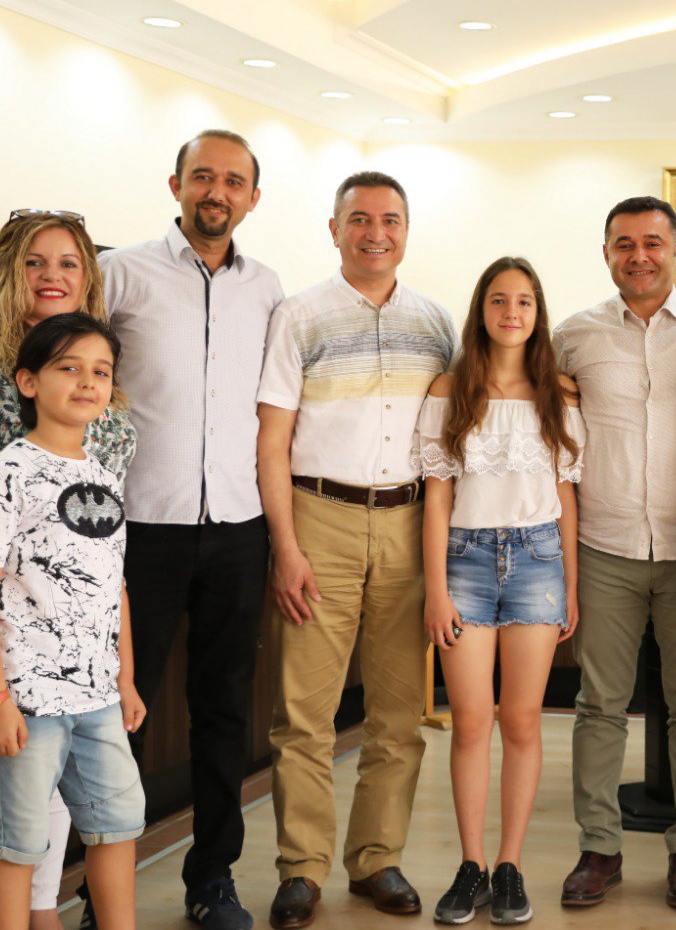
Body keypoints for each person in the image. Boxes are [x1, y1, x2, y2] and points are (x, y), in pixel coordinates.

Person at [0, 210, 136, 930]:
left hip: (87, 663)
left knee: (81, 810)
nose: (52, 275)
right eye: (35, 262)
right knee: (16, 813)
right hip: (11, 639)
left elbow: (112, 572)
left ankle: (46, 912)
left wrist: (123, 675)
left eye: (68, 262)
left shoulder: (94, 373)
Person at [256, 171, 455, 928]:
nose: (377, 233)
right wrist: (286, 547)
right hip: (319, 519)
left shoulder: (435, 322)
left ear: (407, 230)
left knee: (399, 713)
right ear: (334, 229)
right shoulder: (299, 315)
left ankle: (377, 858)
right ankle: (301, 869)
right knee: (304, 715)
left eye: (390, 220)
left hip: (409, 522)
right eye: (361, 219)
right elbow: (272, 441)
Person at [98, 128, 284, 930]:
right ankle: (101, 893)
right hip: (140, 529)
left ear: (252, 198)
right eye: (203, 176)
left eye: (233, 180)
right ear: (175, 185)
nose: (217, 191)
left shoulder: (268, 288)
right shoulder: (121, 272)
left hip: (239, 528)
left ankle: (212, 880)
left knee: (225, 712)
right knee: (119, 713)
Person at [554, 196, 676, 911]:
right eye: (624, 244)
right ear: (606, 253)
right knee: (599, 704)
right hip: (605, 546)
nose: (639, 256)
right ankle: (599, 847)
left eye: (653, 243)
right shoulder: (574, 335)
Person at [0, 313, 146, 930]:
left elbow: (114, 586)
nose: (87, 382)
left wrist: (125, 680)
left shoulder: (102, 477)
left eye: (101, 372)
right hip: (24, 696)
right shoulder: (1, 476)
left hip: (97, 695)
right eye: (69, 367)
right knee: (19, 841)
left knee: (118, 825)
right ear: (29, 382)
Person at [416, 256, 585, 926]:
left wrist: (570, 584)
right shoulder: (450, 387)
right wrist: (436, 590)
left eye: (523, 302)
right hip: (465, 561)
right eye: (498, 300)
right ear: (480, 311)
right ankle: (471, 865)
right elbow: (436, 497)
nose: (511, 312)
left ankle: (510, 865)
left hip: (539, 561)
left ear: (537, 313)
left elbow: (566, 496)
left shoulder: (559, 391)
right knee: (471, 721)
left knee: (520, 720)